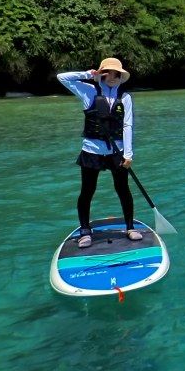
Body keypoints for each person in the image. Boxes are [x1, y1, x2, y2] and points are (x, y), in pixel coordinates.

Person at [57, 58, 140, 248]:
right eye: (108, 73)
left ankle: (130, 227)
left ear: (120, 76)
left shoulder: (125, 97)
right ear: (101, 74)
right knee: (87, 190)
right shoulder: (89, 91)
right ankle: (85, 231)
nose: (112, 77)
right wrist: (88, 75)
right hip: (91, 150)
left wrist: (128, 154)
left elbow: (127, 125)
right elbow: (62, 77)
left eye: (116, 74)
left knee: (123, 189)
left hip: (116, 152)